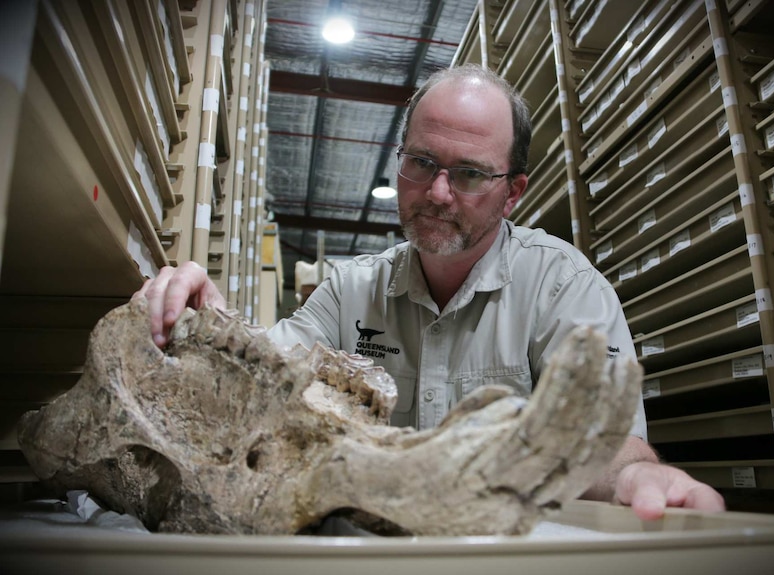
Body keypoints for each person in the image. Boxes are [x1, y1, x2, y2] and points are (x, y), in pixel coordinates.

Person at [137, 64, 725, 520]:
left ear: (512, 191)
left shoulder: (562, 288)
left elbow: (601, 440)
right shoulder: (350, 292)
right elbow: (264, 380)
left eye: (469, 173)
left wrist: (632, 477)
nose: (438, 193)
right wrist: (211, 329)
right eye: (422, 162)